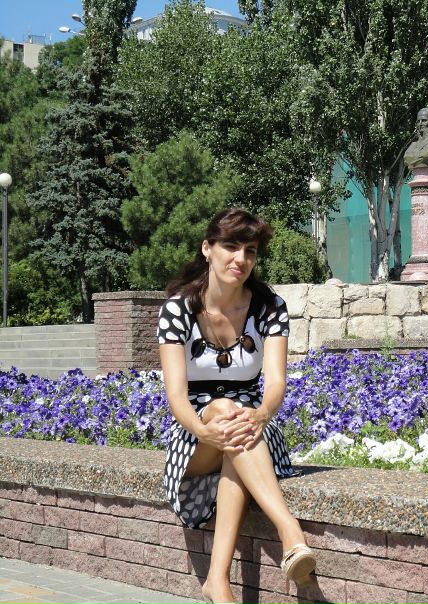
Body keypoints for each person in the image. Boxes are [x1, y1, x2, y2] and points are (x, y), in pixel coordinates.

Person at [157, 208, 315, 604]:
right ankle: (289, 531)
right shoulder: (177, 310)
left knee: (235, 426)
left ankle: (217, 582)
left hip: (254, 428)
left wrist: (261, 414)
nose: (240, 259)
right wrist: (203, 429)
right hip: (195, 434)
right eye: (230, 246)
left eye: (250, 251)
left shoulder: (269, 307)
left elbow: (275, 383)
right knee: (223, 409)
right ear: (207, 249)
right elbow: (176, 396)